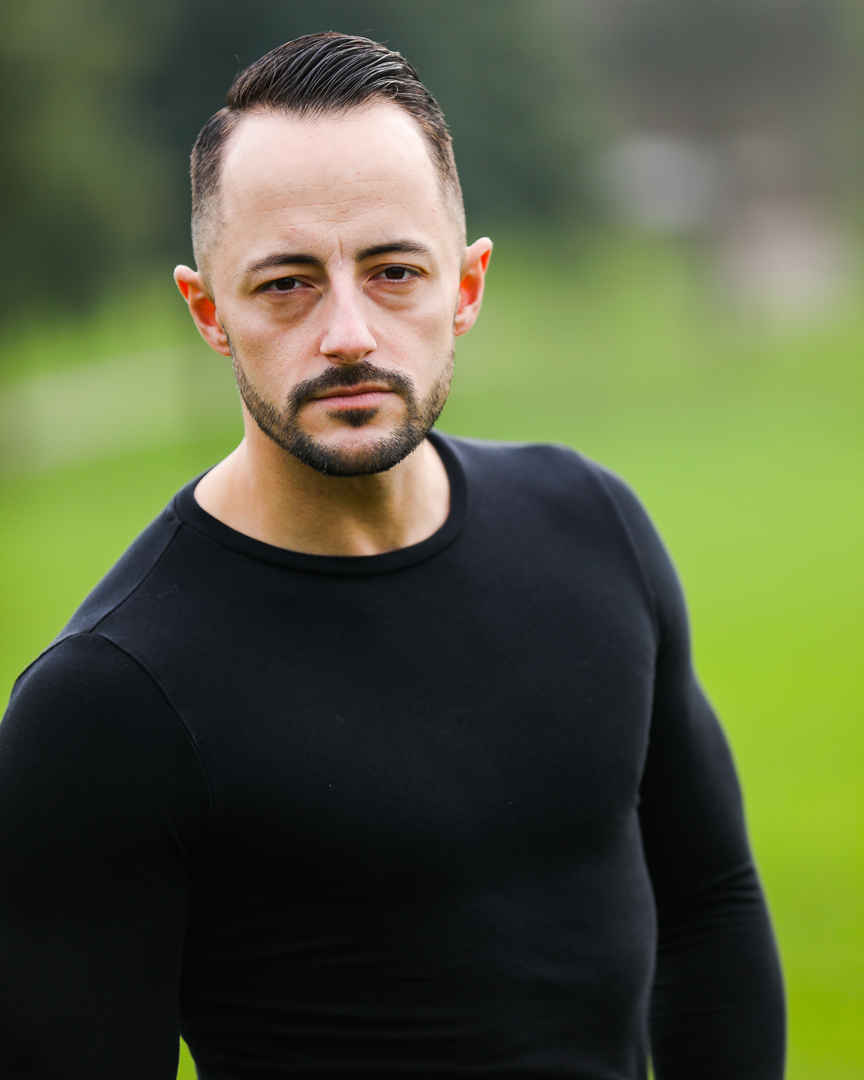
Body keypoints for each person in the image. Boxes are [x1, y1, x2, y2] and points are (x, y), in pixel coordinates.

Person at [0, 32, 785, 1079]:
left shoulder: (594, 527)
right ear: (209, 312)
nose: (349, 334)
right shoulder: (107, 702)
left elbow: (711, 907)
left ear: (465, 285)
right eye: (287, 283)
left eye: (394, 272)